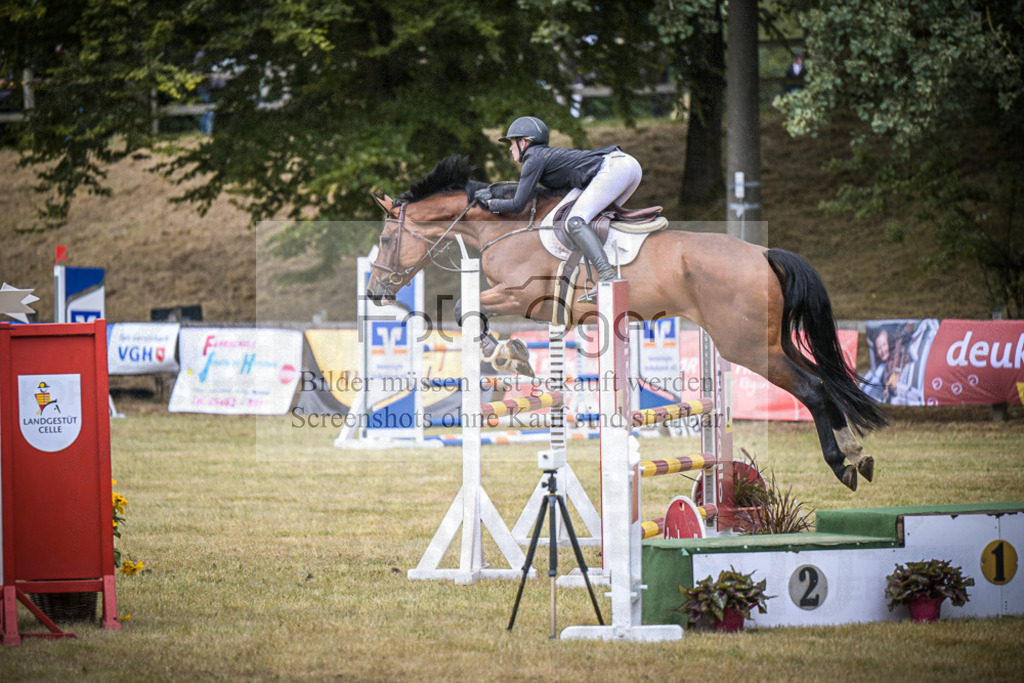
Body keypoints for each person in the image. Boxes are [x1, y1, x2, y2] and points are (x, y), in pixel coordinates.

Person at [475, 116, 642, 303]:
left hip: (615, 168)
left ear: (523, 142)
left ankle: (607, 276)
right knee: (591, 220)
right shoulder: (544, 157)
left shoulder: (533, 157)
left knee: (574, 221)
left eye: (512, 143)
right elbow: (549, 194)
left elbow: (517, 204)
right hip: (627, 167)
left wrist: (490, 204)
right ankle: (617, 267)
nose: (510, 148)